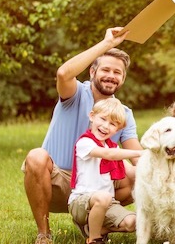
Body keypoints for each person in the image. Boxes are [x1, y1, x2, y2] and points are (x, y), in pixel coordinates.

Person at [21, 27, 142, 244]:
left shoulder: (123, 113)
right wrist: (107, 44)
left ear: (123, 78)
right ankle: (44, 234)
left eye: (118, 73)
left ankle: (96, 224)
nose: (111, 76)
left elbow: (139, 157)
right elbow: (63, 73)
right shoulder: (74, 93)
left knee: (139, 174)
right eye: (106, 70)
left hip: (98, 186)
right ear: (92, 72)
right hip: (58, 182)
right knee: (36, 156)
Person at [69, 98, 143, 244]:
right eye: (102, 119)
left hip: (107, 204)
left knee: (134, 222)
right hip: (80, 202)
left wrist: (158, 168)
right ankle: (95, 239)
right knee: (103, 197)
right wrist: (140, 153)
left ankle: (93, 228)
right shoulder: (85, 142)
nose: (105, 126)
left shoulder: (112, 147)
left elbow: (132, 171)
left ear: (118, 129)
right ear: (92, 116)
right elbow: (108, 155)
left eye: (112, 124)